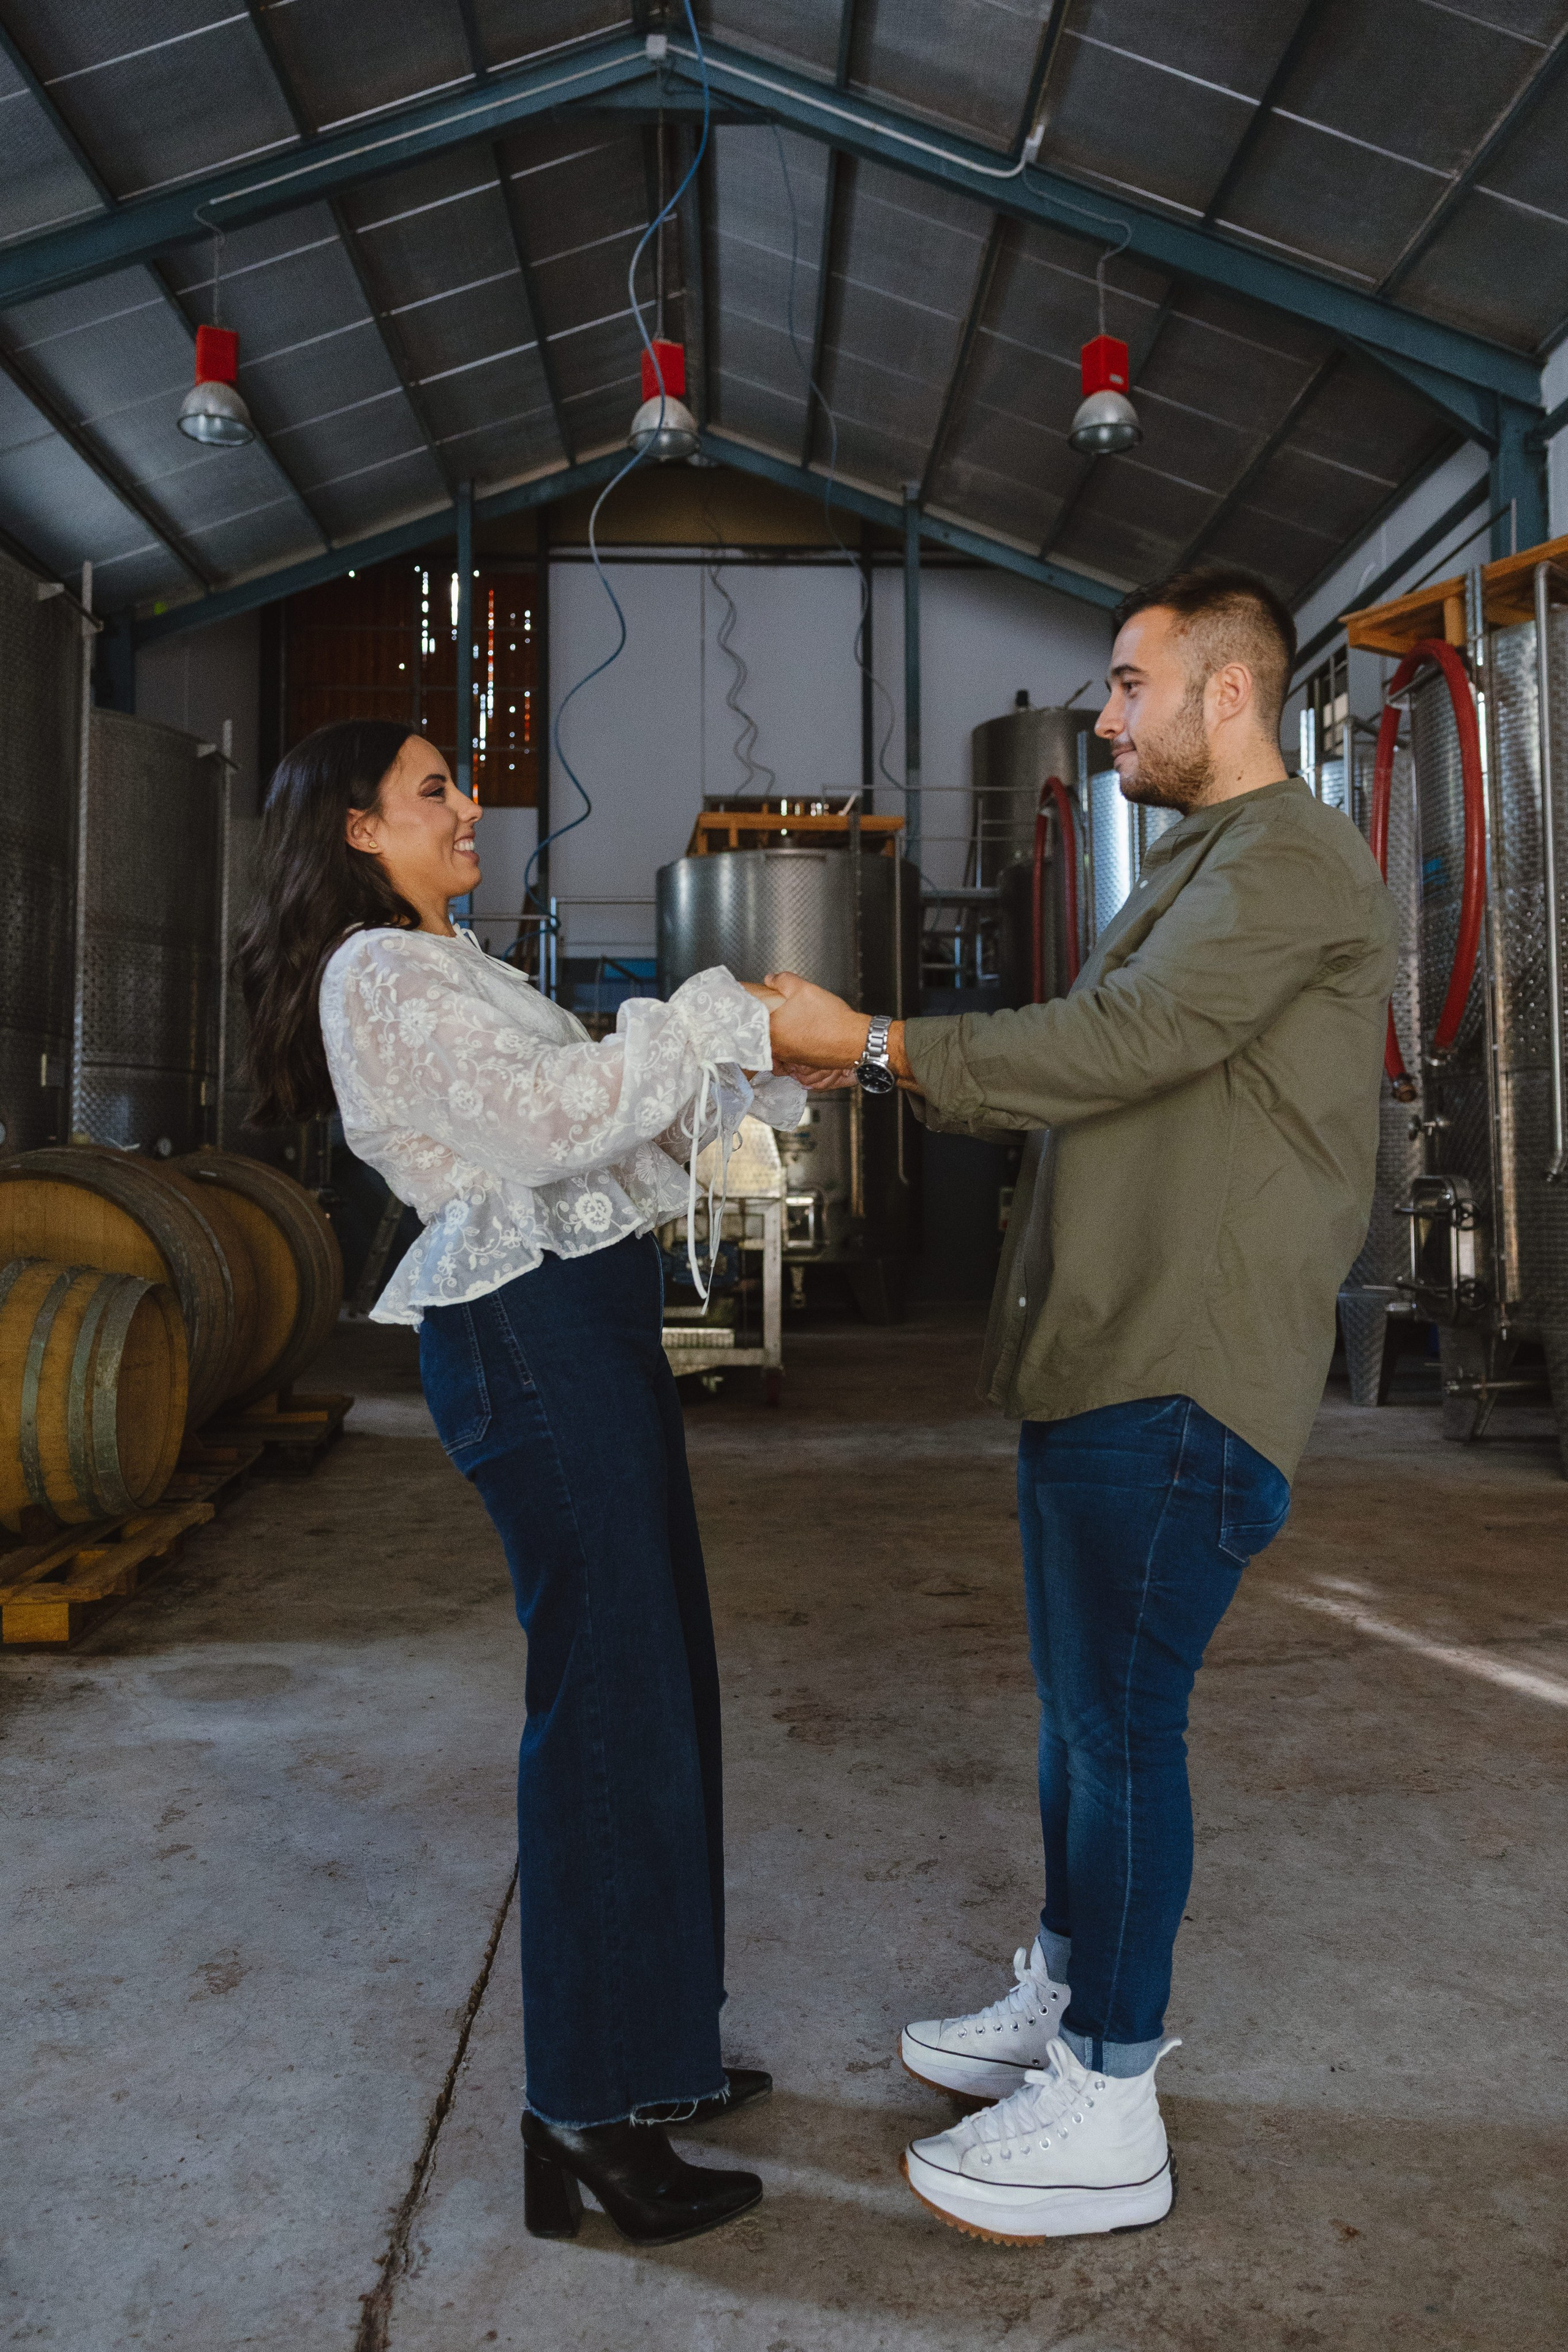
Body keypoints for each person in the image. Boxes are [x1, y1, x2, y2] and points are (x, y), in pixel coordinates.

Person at [766, 567, 1398, 2244]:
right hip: (1112, 1348)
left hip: (1186, 1367)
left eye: (1131, 686)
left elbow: (1130, 1042)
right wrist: (883, 1055)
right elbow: (1103, 1046)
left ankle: (1112, 2096)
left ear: (1230, 695)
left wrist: (887, 1042)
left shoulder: (1285, 864)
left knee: (1121, 1731)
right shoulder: (1205, 861)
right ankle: (1067, 1987)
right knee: (1076, 1720)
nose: (1108, 717)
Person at [235, 718, 805, 2248]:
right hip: (527, 1339)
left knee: (658, 1678)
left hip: (583, 1320)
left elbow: (603, 1128)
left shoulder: (461, 965)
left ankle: (657, 2053)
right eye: (434, 791)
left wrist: (748, 1051)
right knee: (605, 1704)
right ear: (357, 830)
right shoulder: (379, 974)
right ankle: (586, 2107)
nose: (464, 805)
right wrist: (704, 1014)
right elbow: (555, 1122)